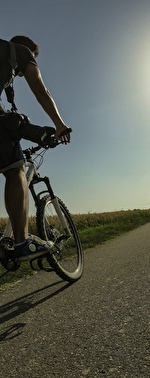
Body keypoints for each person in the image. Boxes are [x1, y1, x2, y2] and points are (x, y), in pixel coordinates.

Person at [0, 35, 71, 262]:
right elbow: (41, 92)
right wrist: (60, 125)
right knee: (15, 169)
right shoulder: (20, 50)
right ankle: (22, 243)